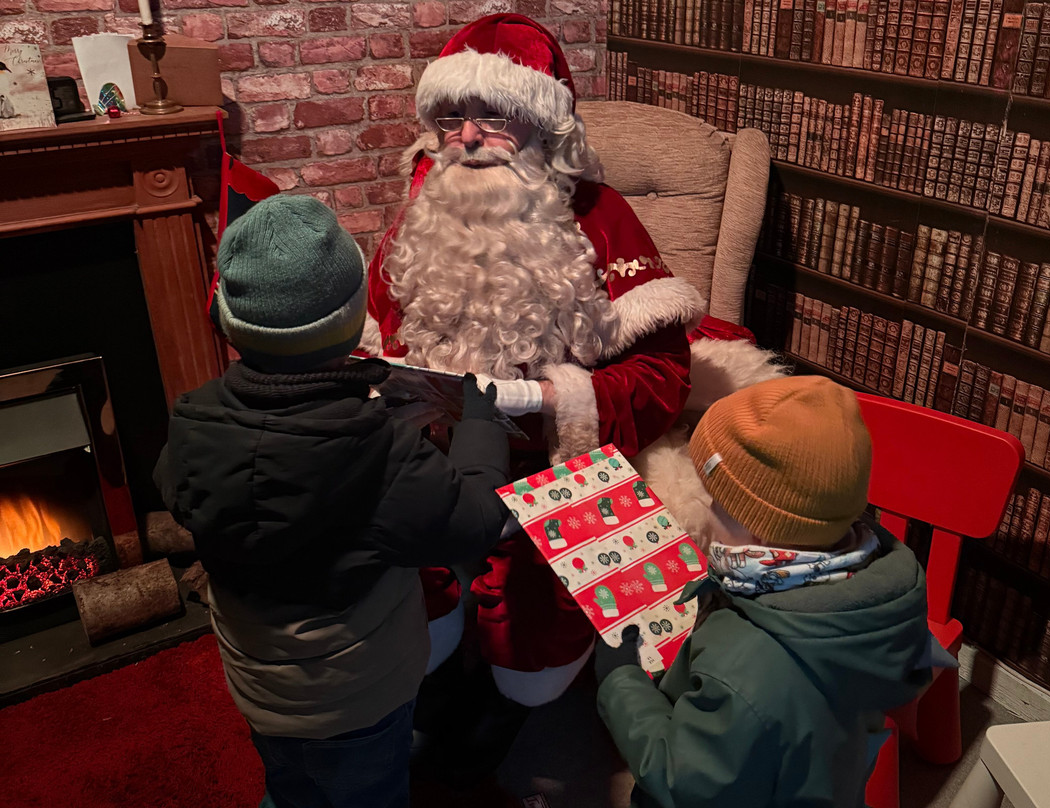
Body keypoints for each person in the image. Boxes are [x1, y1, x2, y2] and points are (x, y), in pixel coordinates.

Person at [360, 13, 783, 769]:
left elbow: (662, 376)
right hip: (435, 446)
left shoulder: (603, 218)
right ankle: (425, 680)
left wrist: (552, 402)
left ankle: (510, 697)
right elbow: (383, 334)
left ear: (541, 123)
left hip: (557, 459)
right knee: (385, 553)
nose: (468, 136)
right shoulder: (422, 212)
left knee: (537, 615)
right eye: (452, 117)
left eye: (493, 115)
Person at [153, 194, 511, 808]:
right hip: (355, 699)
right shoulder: (383, 454)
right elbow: (477, 520)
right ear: (353, 321)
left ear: (227, 320)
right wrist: (482, 421)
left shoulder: (193, 417)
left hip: (258, 687)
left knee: (290, 786)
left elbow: (228, 478)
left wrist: (371, 402)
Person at [595, 375, 937, 808]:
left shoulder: (745, 672)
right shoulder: (875, 582)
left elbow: (684, 780)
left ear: (761, 530)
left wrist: (618, 681)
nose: (706, 509)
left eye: (718, 502)